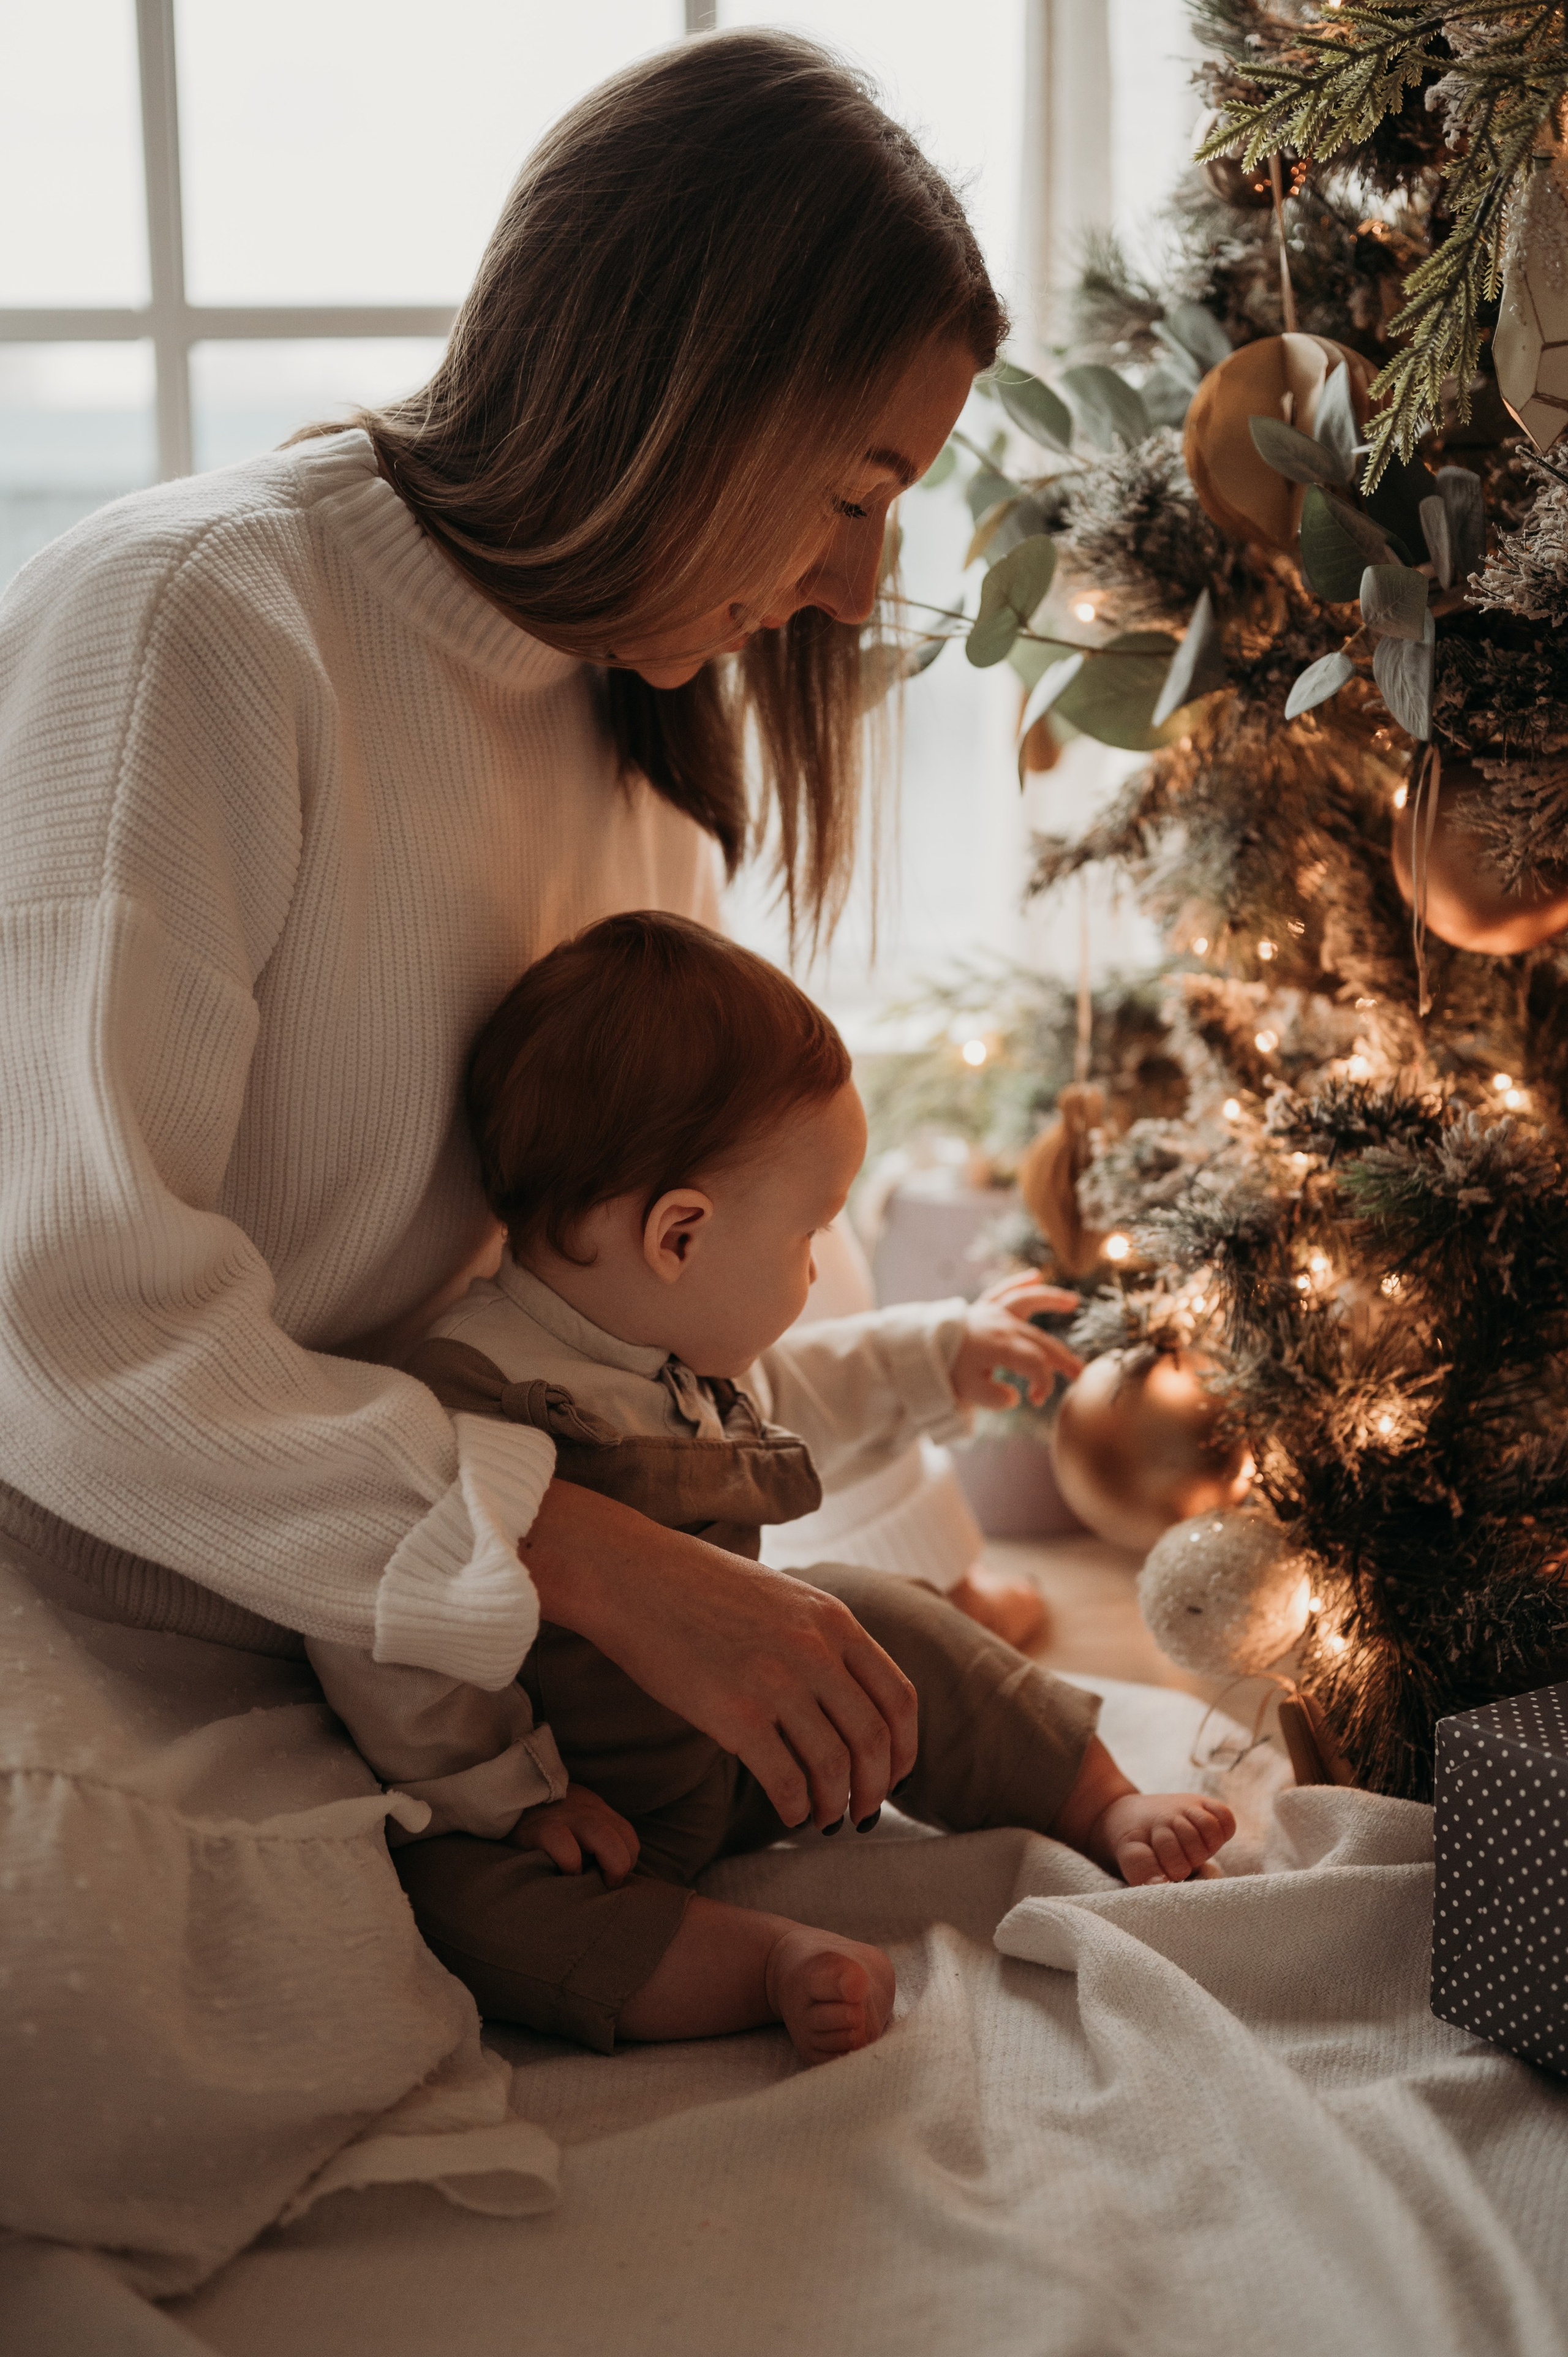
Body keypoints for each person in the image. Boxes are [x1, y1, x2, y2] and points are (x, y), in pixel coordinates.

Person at [0, 28, 1118, 2275]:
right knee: (141, 2010)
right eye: (851, 485)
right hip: (121, 1567)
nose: (846, 582)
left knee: (718, 1818)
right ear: (684, 382)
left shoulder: (634, 759)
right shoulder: (201, 625)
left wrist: (820, 1549)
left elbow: (654, 1310)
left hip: (448, 1625)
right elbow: (69, 1310)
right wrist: (588, 1570)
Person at [309, 913, 1236, 2064]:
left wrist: (939, 1352)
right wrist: (516, 1798)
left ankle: (1095, 1798)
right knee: (461, 1902)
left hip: (747, 1743)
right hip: (585, 1815)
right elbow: (392, 1640)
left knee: (875, 1611)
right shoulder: (477, 1400)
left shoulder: (679, 1352)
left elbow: (806, 1390)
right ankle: (757, 1960)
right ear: (679, 1236)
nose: (813, 1268)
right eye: (811, 1235)